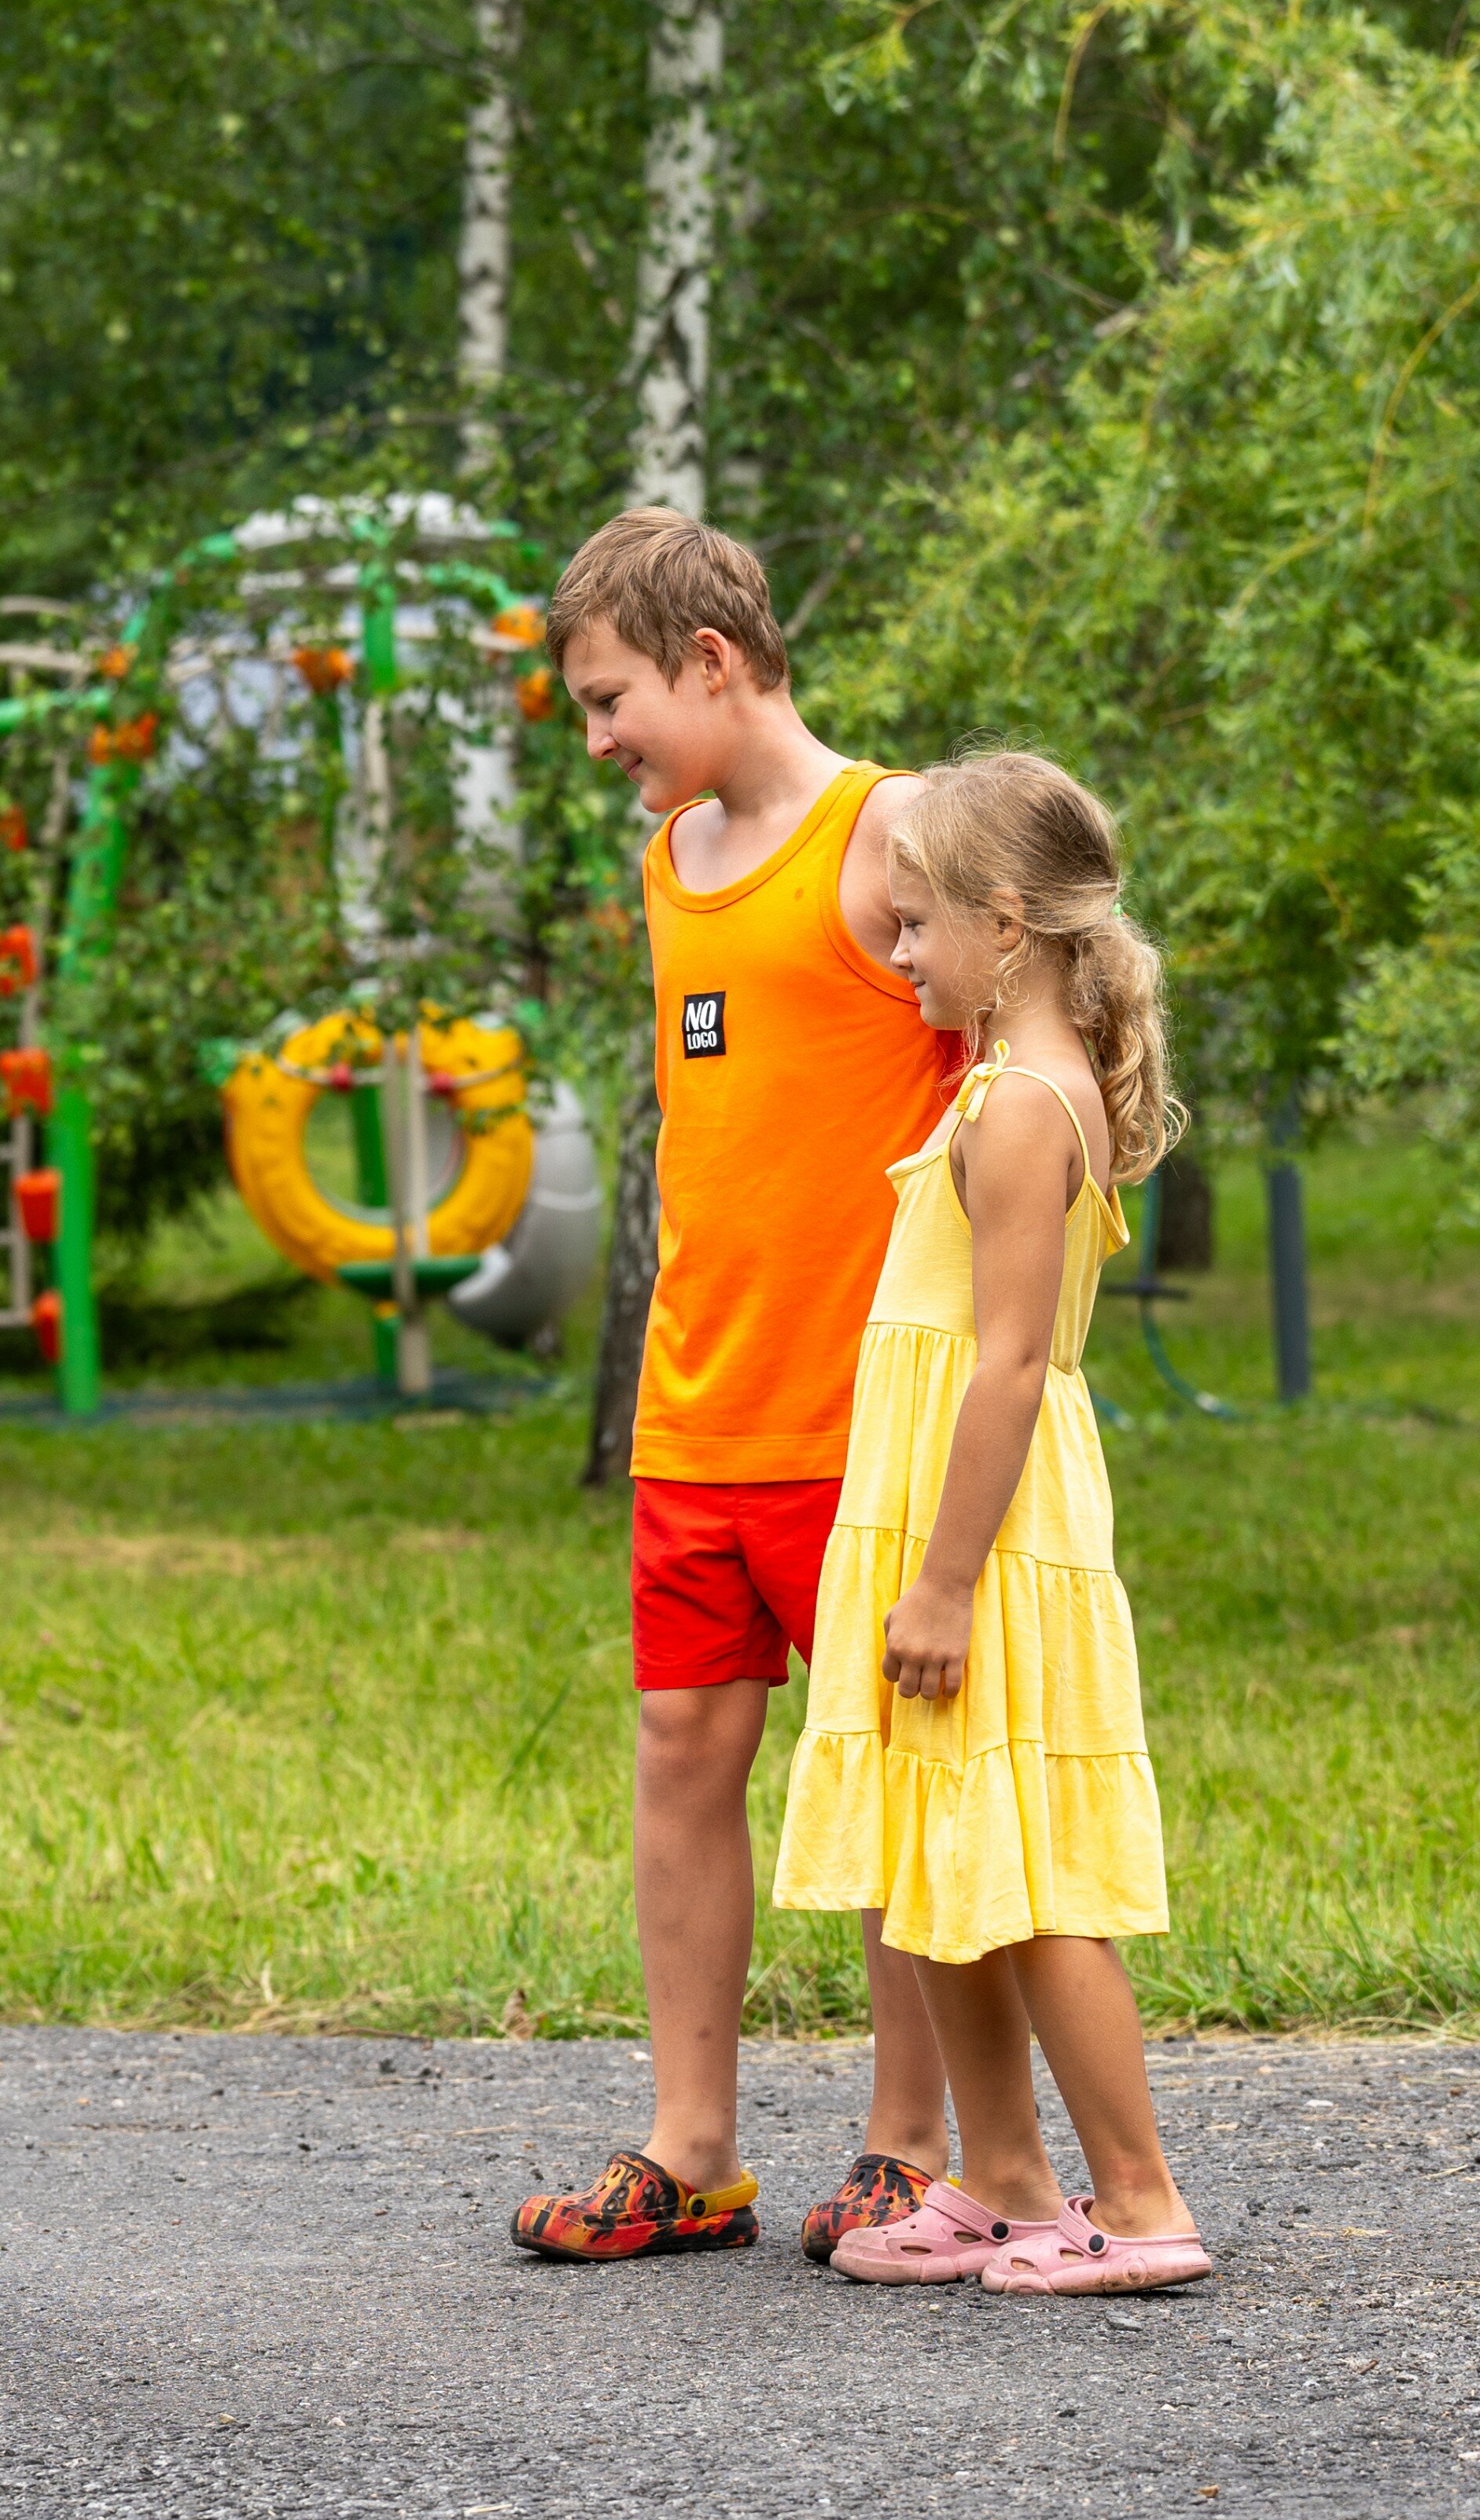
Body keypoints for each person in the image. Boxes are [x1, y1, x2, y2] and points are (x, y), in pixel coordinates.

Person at [507, 509, 1016, 2268]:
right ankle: (691, 2147)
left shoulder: (890, 841)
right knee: (681, 1752)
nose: (598, 740)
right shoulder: (670, 859)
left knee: (873, 1776)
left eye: (609, 698)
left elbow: (1024, 1057)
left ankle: (901, 2142)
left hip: (857, 1421)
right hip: (693, 1412)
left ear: (709, 663)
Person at [776, 748, 1209, 2294]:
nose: (898, 954)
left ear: (1005, 923)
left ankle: (1142, 2204)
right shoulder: (997, 1083)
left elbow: (1012, 1364)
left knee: (1026, 1882)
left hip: (989, 1539)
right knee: (938, 1854)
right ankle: (1003, 2178)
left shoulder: (1027, 1105)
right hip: (932, 1524)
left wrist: (946, 1582)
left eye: (915, 925)